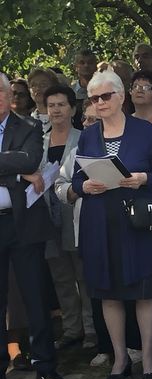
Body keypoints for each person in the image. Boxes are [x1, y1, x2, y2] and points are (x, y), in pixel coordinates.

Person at [72, 70, 152, 379]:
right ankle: (119, 358)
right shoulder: (87, 134)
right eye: (94, 98)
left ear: (120, 97)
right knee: (108, 293)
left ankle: (149, 357)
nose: (99, 103)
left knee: (144, 291)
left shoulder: (143, 131)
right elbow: (76, 178)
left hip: (136, 220)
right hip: (100, 221)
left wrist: (143, 179)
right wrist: (85, 186)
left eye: (105, 96)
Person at [0, 73, 63, 379]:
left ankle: (45, 365)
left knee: (34, 296)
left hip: (24, 222)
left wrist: (25, 168)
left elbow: (30, 158)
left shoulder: (29, 126)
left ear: (9, 94)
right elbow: (20, 166)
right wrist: (19, 172)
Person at [32, 85, 95, 350]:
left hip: (75, 210)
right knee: (60, 274)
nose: (56, 110)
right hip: (46, 215)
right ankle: (71, 329)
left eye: (61, 104)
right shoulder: (39, 140)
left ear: (72, 108)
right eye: (51, 105)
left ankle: (91, 329)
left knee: (83, 273)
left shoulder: (85, 138)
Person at [27, 67, 60, 133]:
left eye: (43, 84)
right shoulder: (25, 121)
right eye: (33, 85)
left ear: (54, 87)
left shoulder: (63, 117)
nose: (38, 88)